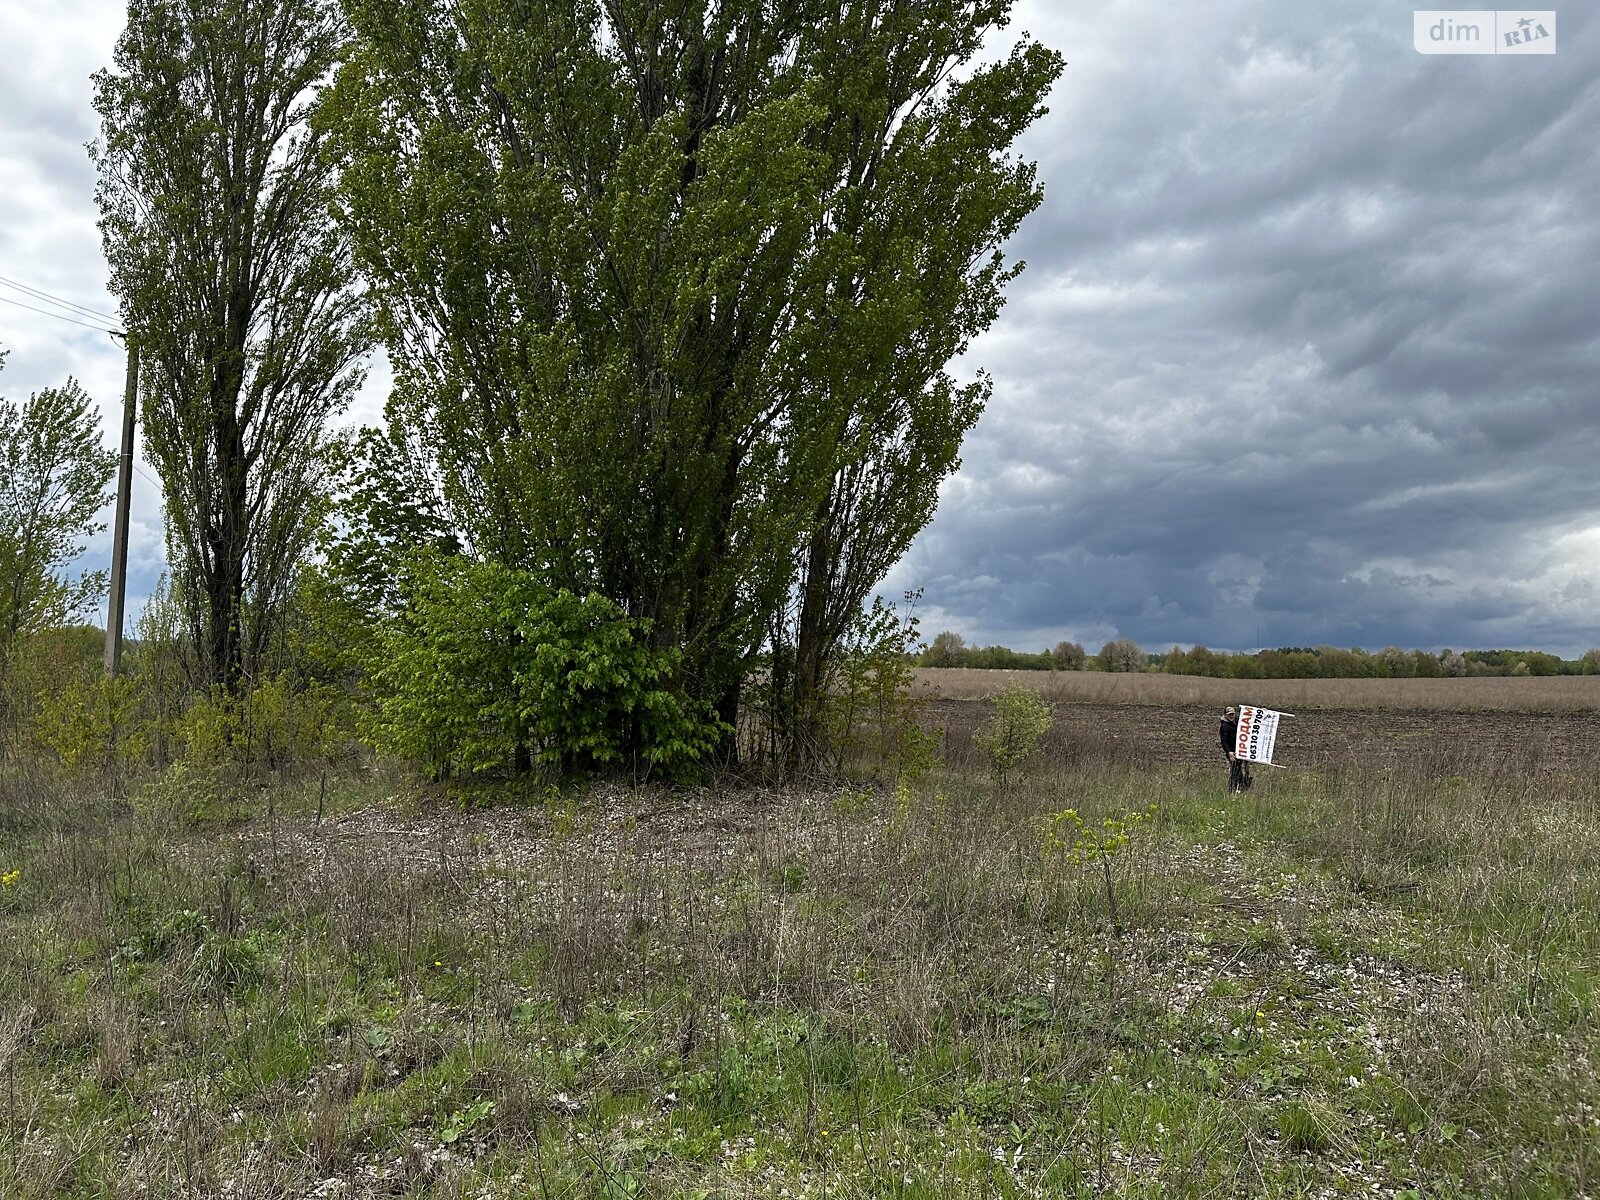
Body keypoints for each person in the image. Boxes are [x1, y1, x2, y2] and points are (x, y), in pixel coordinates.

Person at [1219, 705, 1252, 794]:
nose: (1231, 716)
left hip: (1241, 750)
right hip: (1232, 752)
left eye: (1232, 714)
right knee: (1235, 770)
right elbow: (1224, 741)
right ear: (1225, 715)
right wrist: (1229, 752)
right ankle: (1232, 790)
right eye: (1229, 714)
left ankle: (1241, 786)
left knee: (1240, 769)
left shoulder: (1237, 721)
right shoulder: (1224, 726)